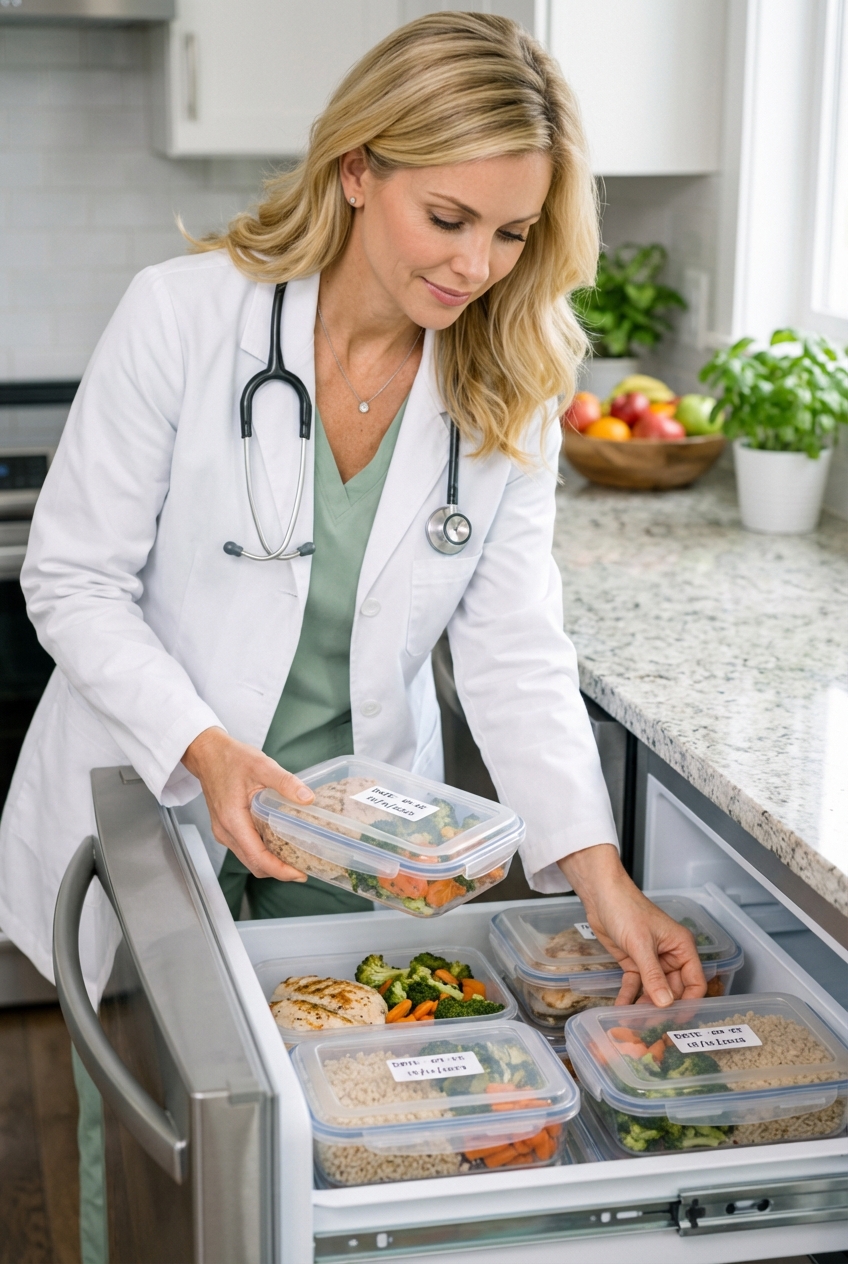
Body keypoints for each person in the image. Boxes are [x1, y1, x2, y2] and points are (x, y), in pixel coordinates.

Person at [0, 12, 705, 1262]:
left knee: (345, 1155)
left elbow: (513, 642)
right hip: (164, 806)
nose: (477, 264)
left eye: (511, 232)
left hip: (357, 842)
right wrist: (207, 747)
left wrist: (592, 865)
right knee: (163, 1157)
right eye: (448, 219)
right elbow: (69, 581)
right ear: (357, 170)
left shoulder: (513, 373)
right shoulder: (184, 316)